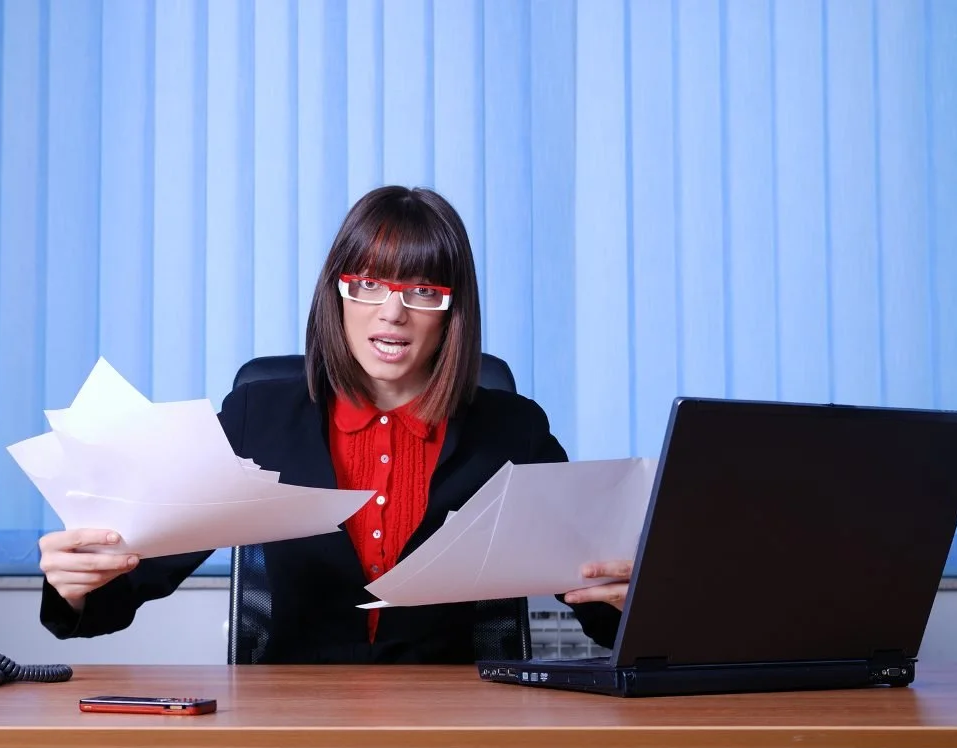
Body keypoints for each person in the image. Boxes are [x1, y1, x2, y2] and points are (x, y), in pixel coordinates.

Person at [38, 184, 632, 663]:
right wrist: (78, 583)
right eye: (370, 284)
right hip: (291, 729)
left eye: (422, 291)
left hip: (458, 728)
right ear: (338, 294)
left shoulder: (513, 432)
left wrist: (631, 597)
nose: (392, 312)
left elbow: (598, 603)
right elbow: (133, 582)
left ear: (452, 311)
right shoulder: (257, 419)